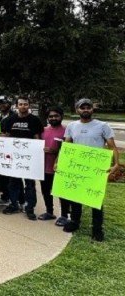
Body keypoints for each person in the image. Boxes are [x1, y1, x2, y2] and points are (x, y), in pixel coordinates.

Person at [59, 98, 119, 242]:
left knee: (95, 199)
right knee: (75, 197)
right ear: (77, 110)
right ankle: (74, 222)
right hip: (77, 167)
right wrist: (60, 163)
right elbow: (67, 146)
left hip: (96, 168)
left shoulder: (102, 126)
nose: (85, 110)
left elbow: (112, 146)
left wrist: (116, 164)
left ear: (92, 109)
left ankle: (97, 229)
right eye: (82, 108)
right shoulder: (72, 126)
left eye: (88, 107)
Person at [0, 96, 44, 220]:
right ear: (16, 106)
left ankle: (30, 208)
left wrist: (39, 152)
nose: (23, 106)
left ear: (28, 106)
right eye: (20, 104)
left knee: (30, 184)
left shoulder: (35, 120)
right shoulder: (10, 120)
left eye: (25, 104)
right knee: (13, 182)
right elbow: (6, 136)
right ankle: (14, 204)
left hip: (29, 158)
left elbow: (37, 138)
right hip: (14, 158)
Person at [38, 106, 70, 224]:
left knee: (62, 193)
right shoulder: (43, 130)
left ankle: (64, 215)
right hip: (44, 168)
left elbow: (70, 150)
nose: (53, 118)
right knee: (46, 191)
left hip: (60, 168)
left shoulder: (67, 131)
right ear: (47, 118)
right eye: (50, 116)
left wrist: (55, 151)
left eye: (56, 116)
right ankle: (49, 212)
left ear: (61, 117)